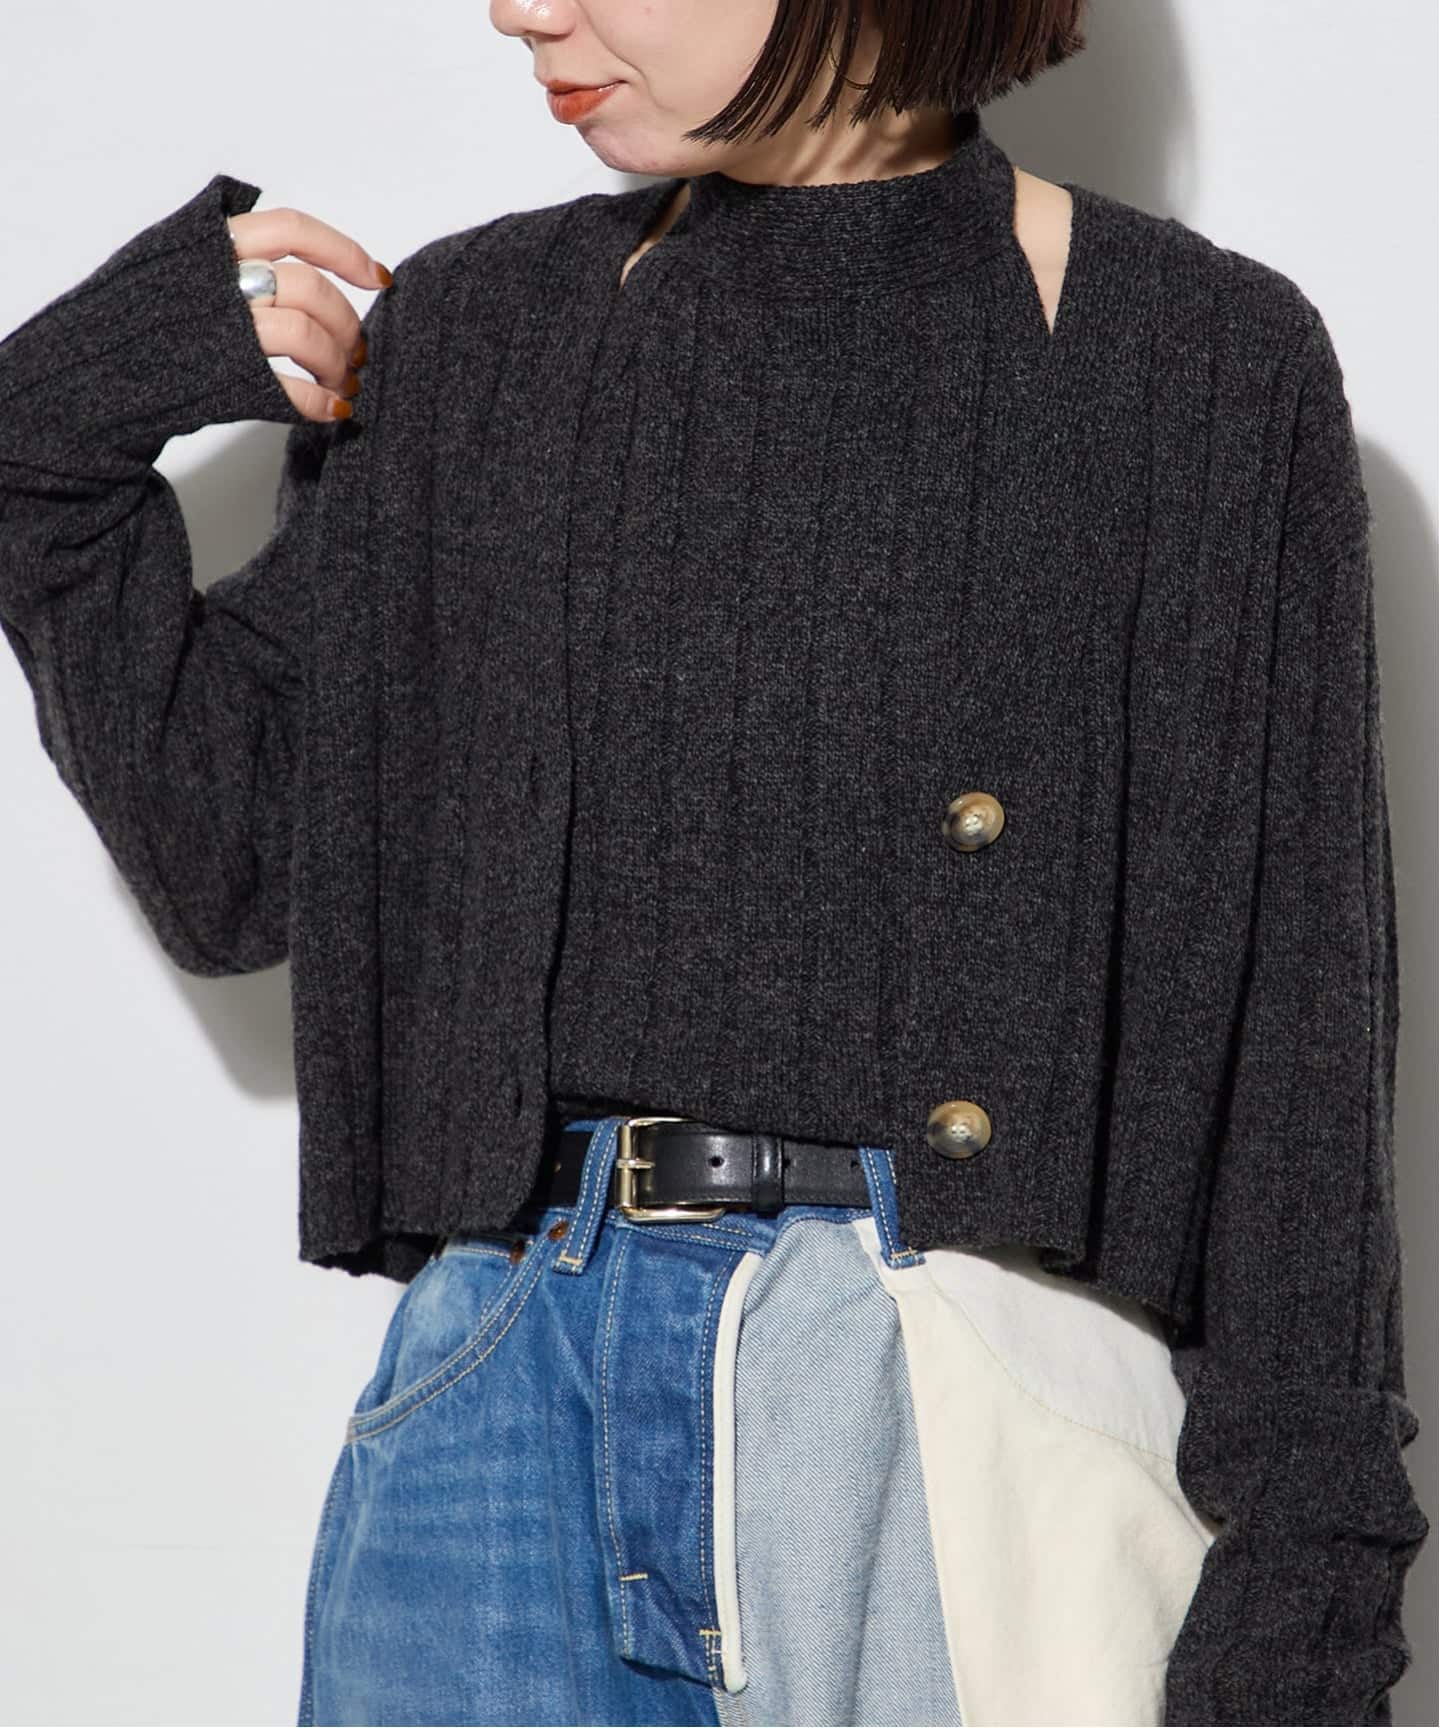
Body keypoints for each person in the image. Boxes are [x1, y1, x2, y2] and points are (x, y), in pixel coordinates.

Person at [0, 1, 1428, 1723]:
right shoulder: (476, 337)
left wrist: (1307, 1609)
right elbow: (229, 864)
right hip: (500, 1403)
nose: (524, 7)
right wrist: (47, 430)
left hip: (949, 1409)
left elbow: (1296, 1043)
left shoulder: (1192, 359)